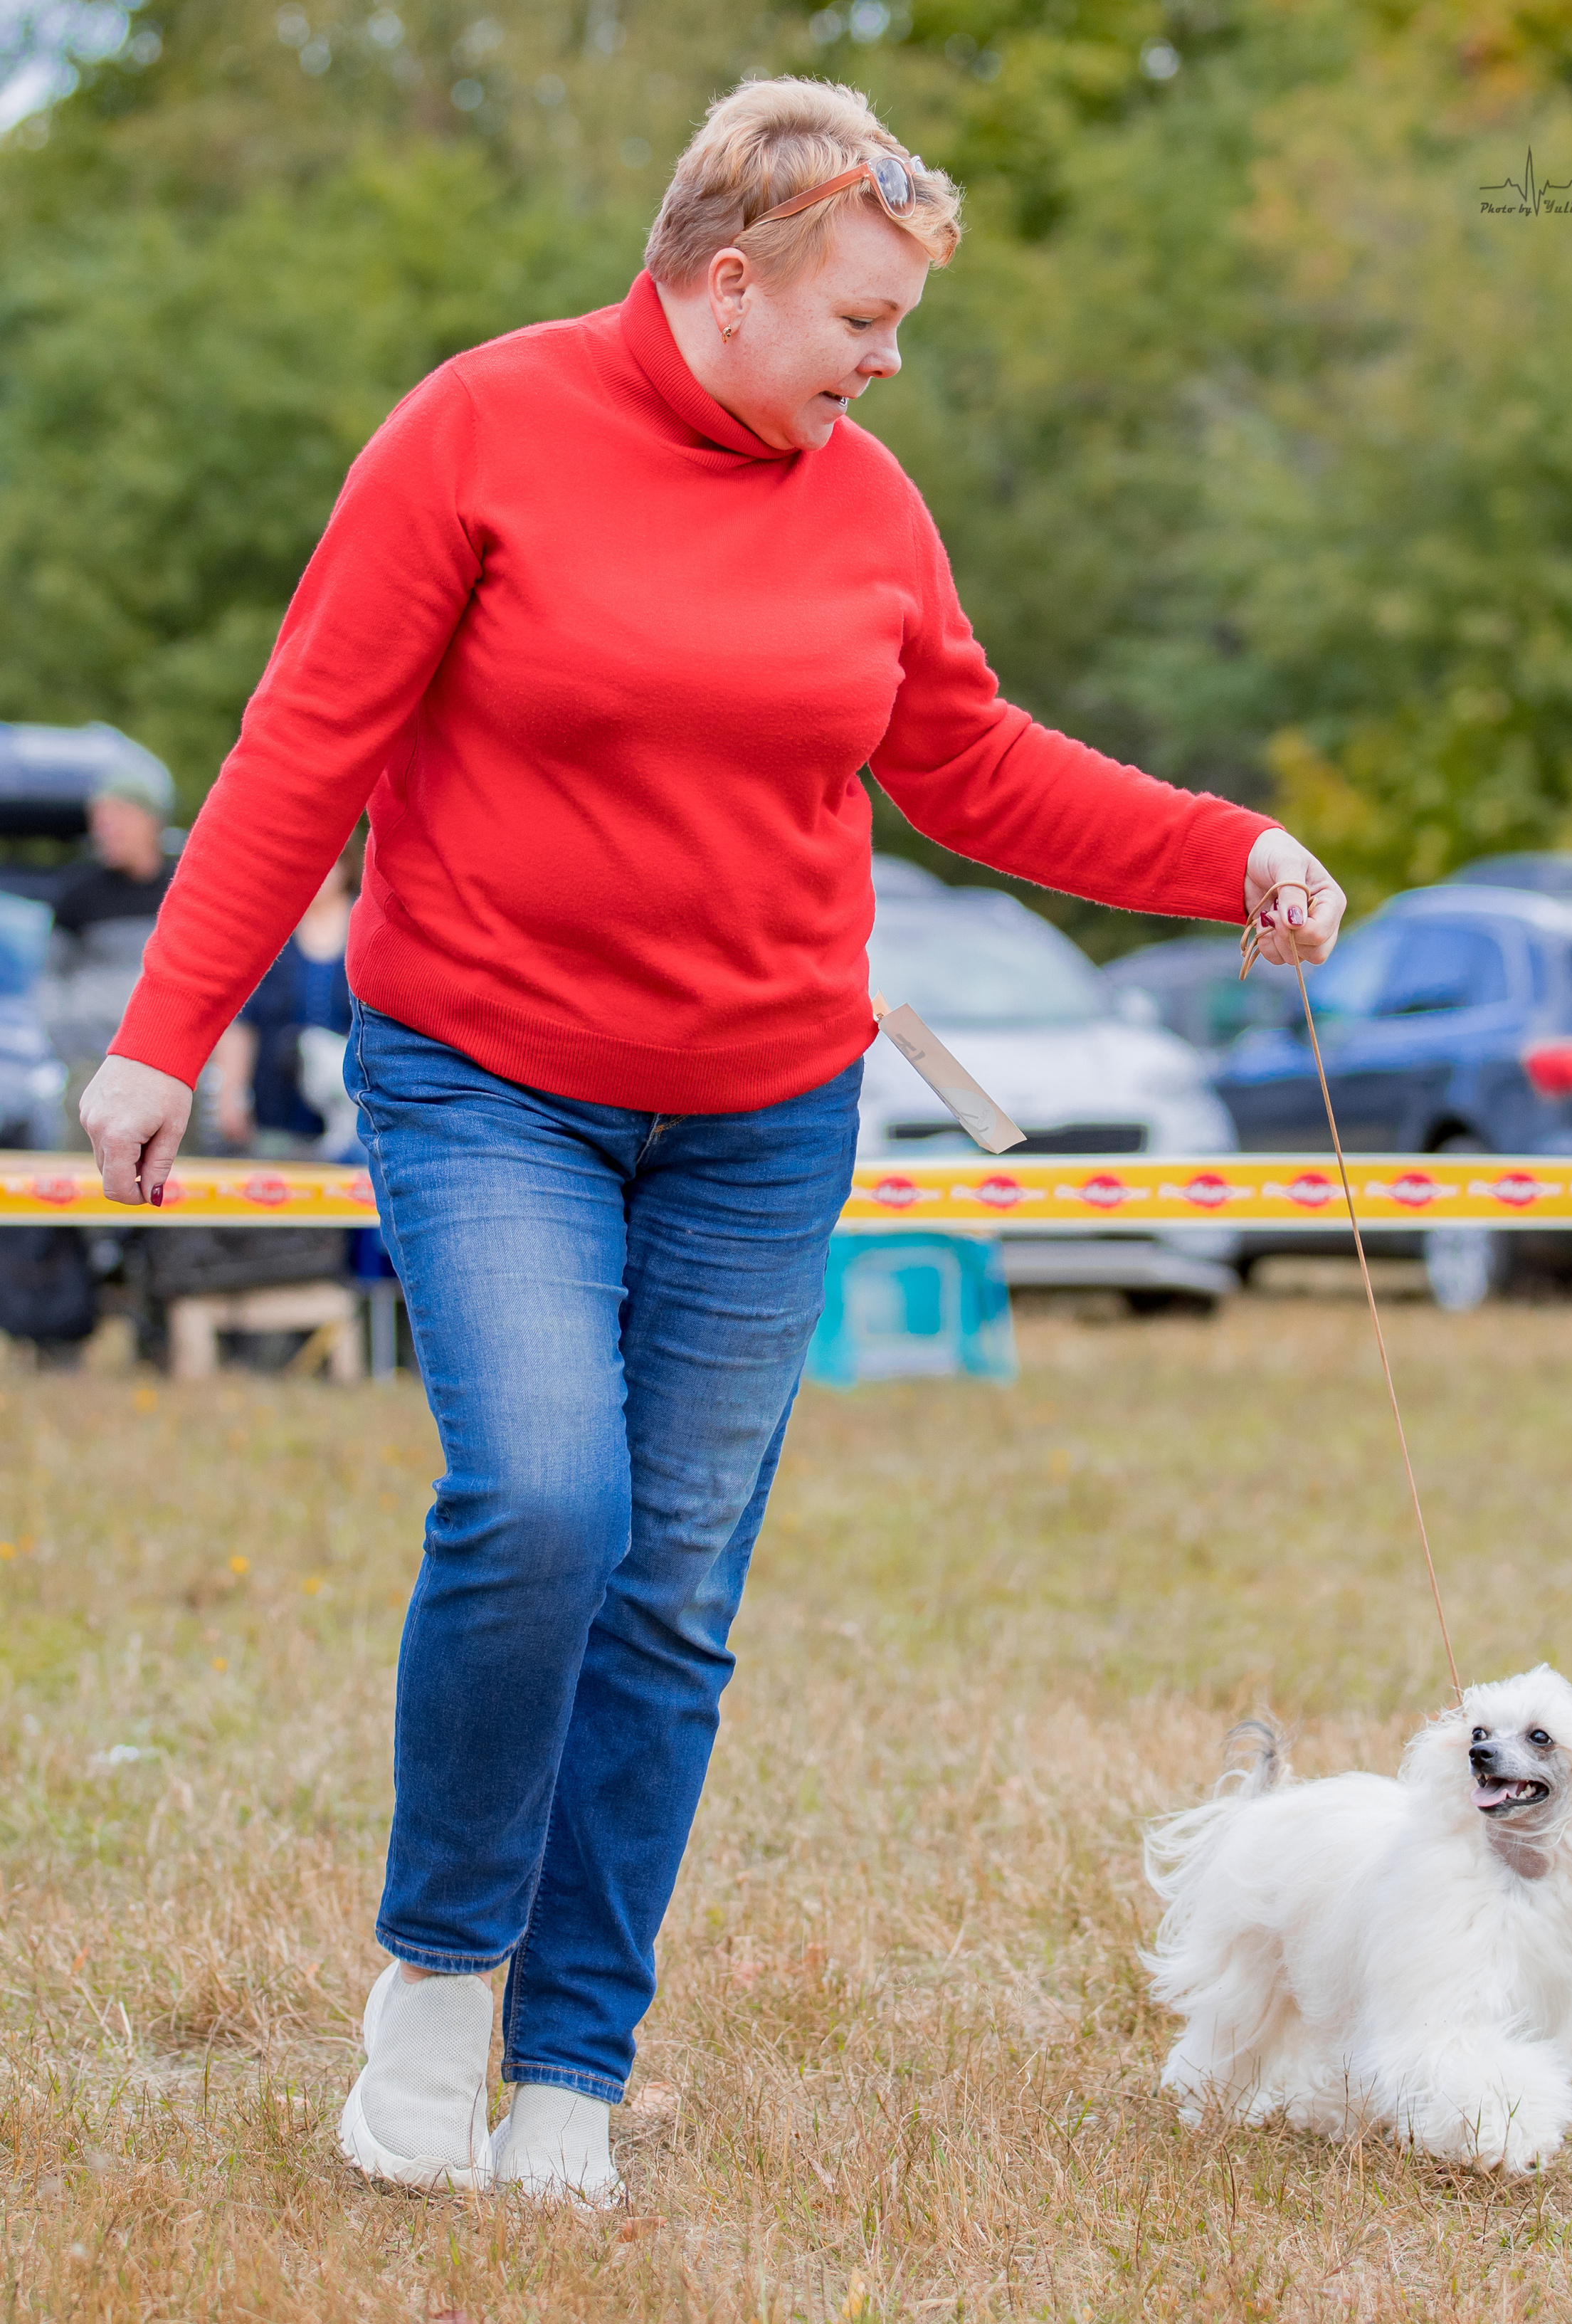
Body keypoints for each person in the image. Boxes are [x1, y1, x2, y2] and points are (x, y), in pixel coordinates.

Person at [78, 77, 1345, 2207]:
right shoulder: (477, 431)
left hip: (763, 1104)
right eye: (861, 316)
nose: (884, 361)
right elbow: (310, 734)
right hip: (486, 1072)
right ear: (727, 281)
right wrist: (161, 1030)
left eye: (900, 326)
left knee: (669, 1590)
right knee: (544, 1492)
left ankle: (571, 2063)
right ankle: (429, 1991)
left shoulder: (864, 500)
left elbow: (967, 760)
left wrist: (1228, 849)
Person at [41, 743, 176, 1142]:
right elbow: (51, 981)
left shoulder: (182, 889)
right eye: (97, 819)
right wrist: (72, 1050)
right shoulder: (77, 893)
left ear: (151, 819)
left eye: (117, 815)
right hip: (92, 1067)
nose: (104, 828)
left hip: (169, 1063)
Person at [211, 843, 362, 1159]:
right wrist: (231, 1094)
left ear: (345, 865)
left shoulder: (369, 928)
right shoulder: (270, 931)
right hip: (276, 1111)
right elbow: (243, 1022)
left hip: (355, 1117)